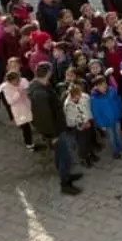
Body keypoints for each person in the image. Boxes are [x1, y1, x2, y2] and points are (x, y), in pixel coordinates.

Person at [28, 62, 82, 194]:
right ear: (48, 73)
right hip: (55, 131)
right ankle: (65, 184)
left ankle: (66, 175)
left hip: (57, 128)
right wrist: (52, 136)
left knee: (60, 156)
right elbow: (43, 117)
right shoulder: (39, 93)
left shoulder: (42, 85)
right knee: (65, 157)